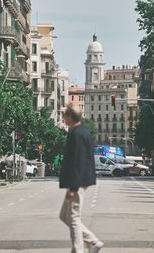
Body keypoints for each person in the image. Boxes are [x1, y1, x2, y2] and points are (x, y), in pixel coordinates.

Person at [59, 103, 104, 253]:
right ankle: (93, 241)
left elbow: (78, 162)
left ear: (71, 117)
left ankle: (79, 250)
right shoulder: (81, 131)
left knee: (73, 218)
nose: (63, 117)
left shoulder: (77, 134)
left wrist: (73, 187)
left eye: (65, 114)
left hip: (77, 182)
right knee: (65, 216)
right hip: (77, 181)